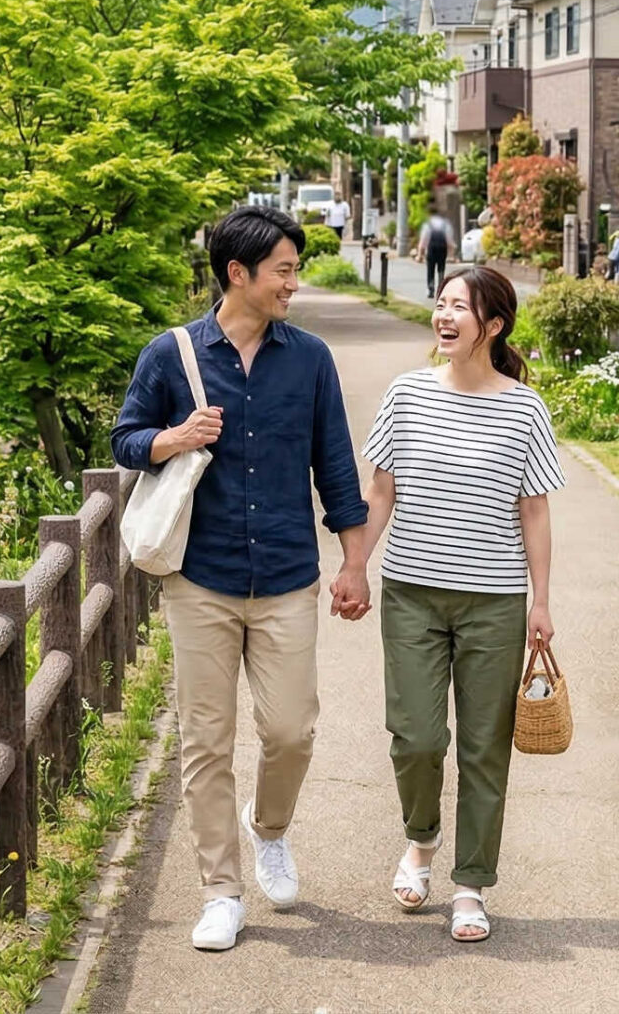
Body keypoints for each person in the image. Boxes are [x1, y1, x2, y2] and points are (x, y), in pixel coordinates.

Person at [112, 205, 371, 954]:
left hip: (289, 573)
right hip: (200, 576)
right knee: (206, 738)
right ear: (239, 273)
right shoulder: (170, 355)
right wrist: (174, 436)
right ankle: (221, 890)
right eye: (284, 269)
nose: (295, 281)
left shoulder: (310, 358)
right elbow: (125, 439)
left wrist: (354, 562)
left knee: (291, 730)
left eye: (295, 268)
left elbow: (337, 468)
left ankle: (271, 830)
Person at [332, 266, 562, 944]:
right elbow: (382, 491)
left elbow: (535, 510)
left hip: (494, 600)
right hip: (412, 593)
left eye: (459, 306)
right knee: (418, 736)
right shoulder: (406, 395)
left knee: (486, 749)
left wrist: (541, 601)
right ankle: (421, 839)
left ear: (492, 325)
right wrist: (355, 565)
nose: (444, 315)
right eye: (441, 303)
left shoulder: (525, 407)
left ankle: (471, 883)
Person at [419, 211, 455, 298]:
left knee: (430, 270)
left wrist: (420, 254)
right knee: (441, 269)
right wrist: (451, 255)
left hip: (431, 249)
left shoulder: (428, 225)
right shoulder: (445, 225)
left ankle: (430, 289)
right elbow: (449, 241)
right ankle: (440, 289)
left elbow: (423, 240)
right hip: (442, 249)